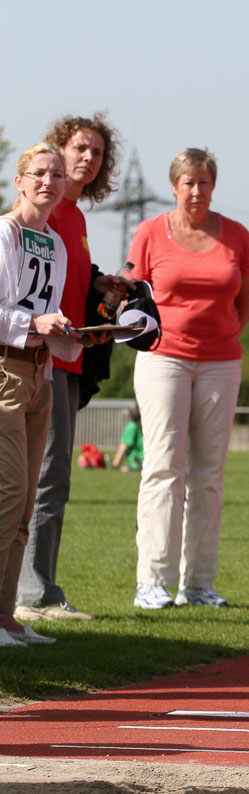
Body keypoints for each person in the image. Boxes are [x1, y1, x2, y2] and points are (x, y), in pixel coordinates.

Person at [128, 147, 249, 609]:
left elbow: (244, 303)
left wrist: (218, 339)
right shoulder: (148, 233)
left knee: (209, 475)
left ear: (213, 185)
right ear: (175, 186)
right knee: (164, 468)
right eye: (188, 182)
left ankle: (198, 584)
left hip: (222, 361)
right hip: (164, 358)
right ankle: (152, 582)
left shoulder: (237, 235)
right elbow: (133, 297)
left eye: (204, 181)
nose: (197, 190)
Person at [16, 113, 125, 624]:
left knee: (53, 475)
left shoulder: (75, 219)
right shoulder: (41, 211)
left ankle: (37, 589)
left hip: (69, 354)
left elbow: (68, 282)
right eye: (80, 147)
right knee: (41, 476)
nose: (87, 159)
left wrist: (99, 290)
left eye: (97, 153)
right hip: (32, 354)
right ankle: (32, 593)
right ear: (57, 149)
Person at [0, 143, 82, 647]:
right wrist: (34, 322)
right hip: (5, 373)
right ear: (20, 181)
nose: (49, 181)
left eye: (56, 174)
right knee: (7, 495)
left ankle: (8, 617)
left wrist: (74, 333)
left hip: (40, 375)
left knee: (26, 501)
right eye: (39, 173)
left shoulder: (57, 243)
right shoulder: (4, 234)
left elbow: (45, 318)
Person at [112, 404, 143, 472]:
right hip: (139, 463)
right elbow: (124, 447)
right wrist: (115, 466)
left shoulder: (140, 428)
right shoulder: (132, 426)